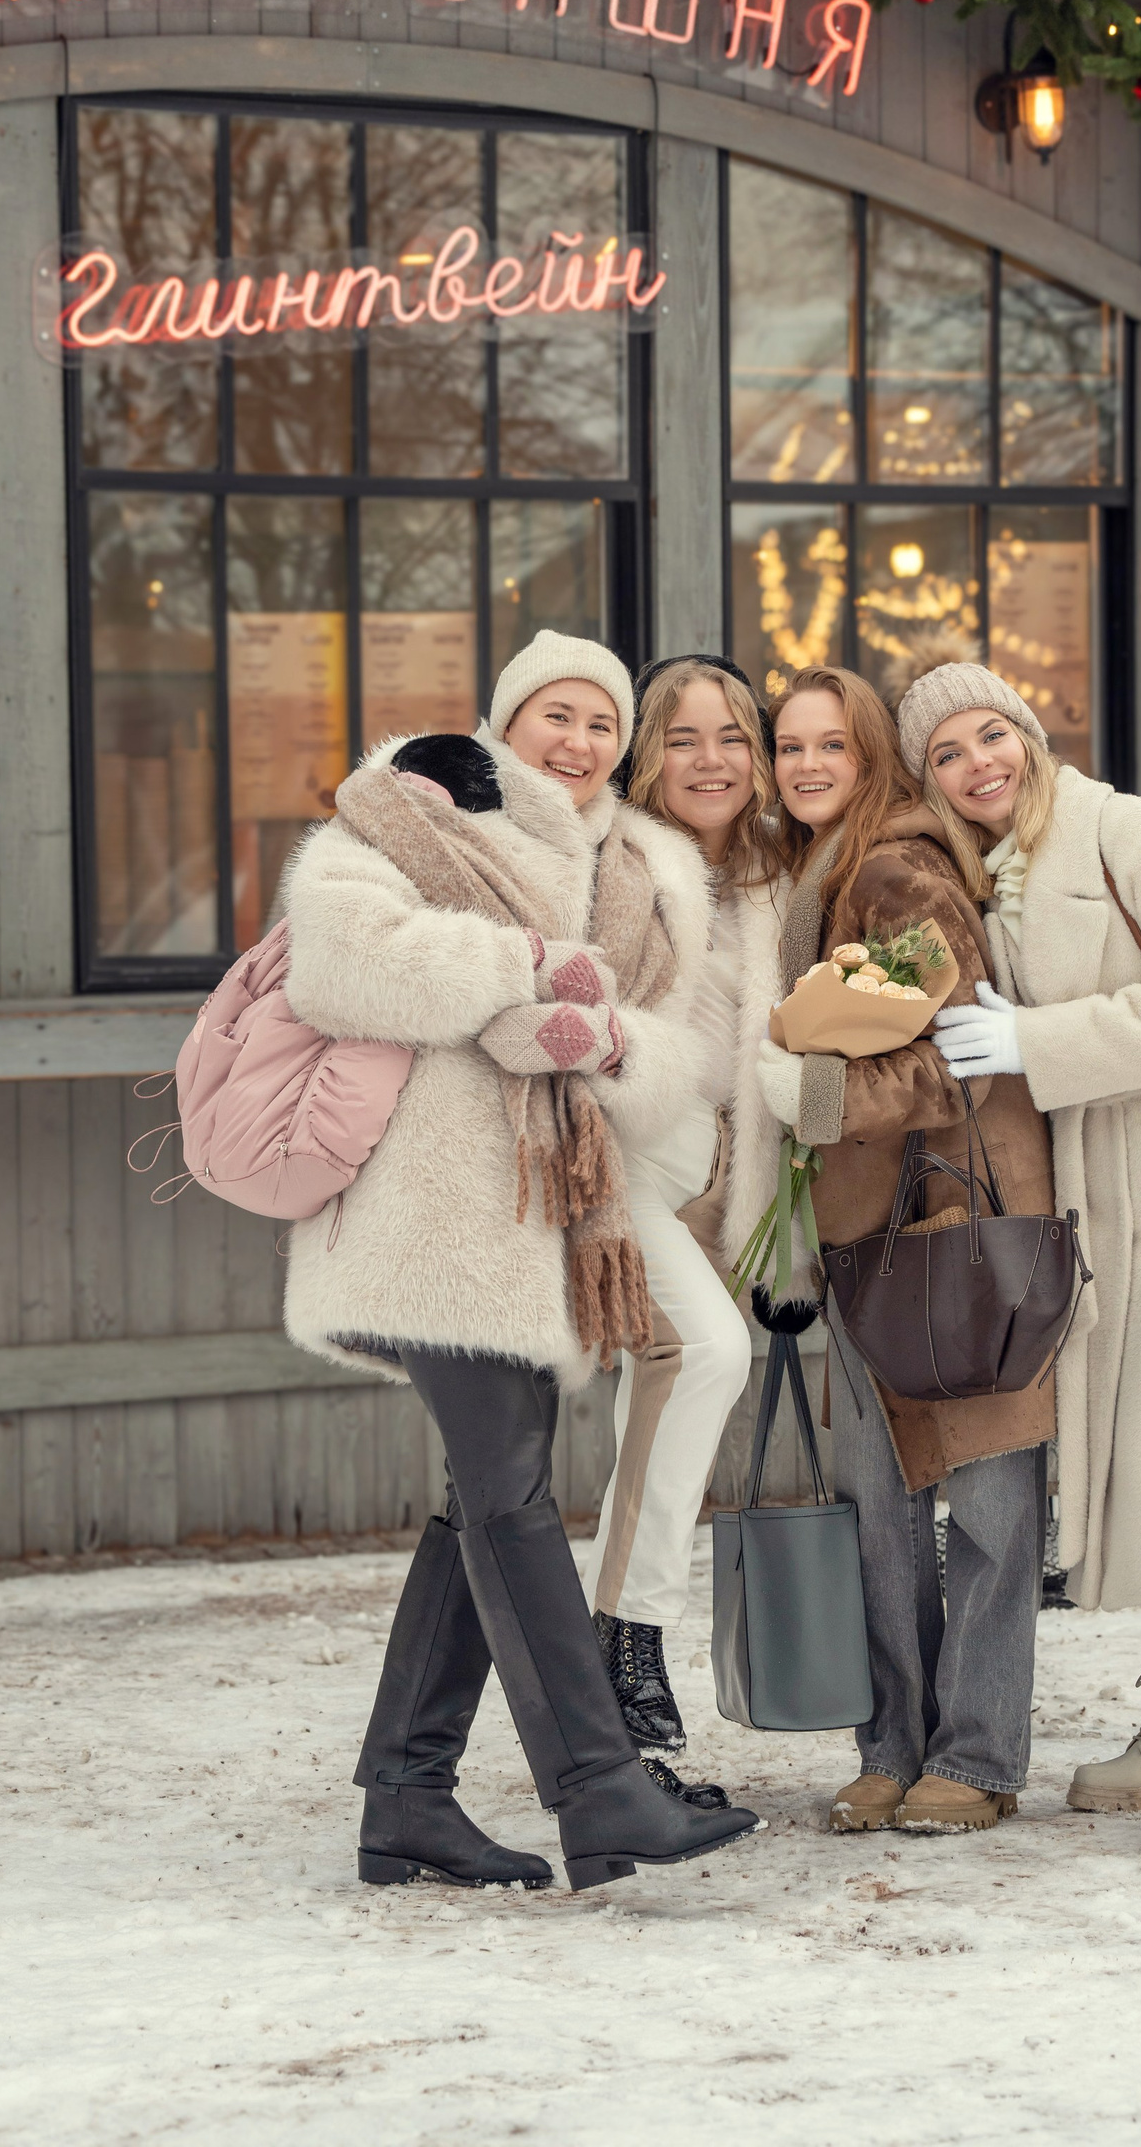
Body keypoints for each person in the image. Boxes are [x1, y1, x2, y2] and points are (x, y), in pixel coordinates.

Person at [280, 631, 758, 1891]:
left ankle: (407, 1797)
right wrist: (530, 970)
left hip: (543, 1222)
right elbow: (340, 961)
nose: (580, 742)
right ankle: (601, 1793)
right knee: (507, 1497)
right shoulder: (418, 807)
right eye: (557, 715)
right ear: (507, 720)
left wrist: (603, 1043)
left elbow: (673, 1053)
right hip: (429, 1218)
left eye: (603, 723)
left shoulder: (643, 868)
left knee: (481, 1500)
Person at [910, 654, 1141, 1860]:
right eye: (947, 754)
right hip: (1099, 1194)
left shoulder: (1125, 831)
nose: (978, 764)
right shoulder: (996, 868)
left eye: (991, 734)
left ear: (1027, 732)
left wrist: (1039, 1039)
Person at [755, 665, 1056, 1838]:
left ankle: (976, 1754)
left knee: (985, 1501)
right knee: (878, 1502)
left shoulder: (897, 869)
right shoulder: (817, 876)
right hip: (867, 1230)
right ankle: (892, 1747)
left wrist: (819, 1097)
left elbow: (959, 1053)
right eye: (790, 746)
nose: (808, 765)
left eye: (833, 744)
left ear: (874, 754)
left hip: (958, 1221)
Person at [588, 655, 787, 1762]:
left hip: (711, 1173)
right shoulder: (614, 857)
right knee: (707, 1352)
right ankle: (628, 1637)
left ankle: (610, 1676)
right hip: (616, 1162)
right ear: (644, 754)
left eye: (732, 737)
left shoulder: (769, 876)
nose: (710, 761)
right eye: (682, 737)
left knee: (659, 1396)